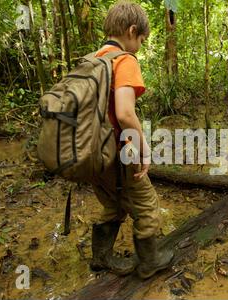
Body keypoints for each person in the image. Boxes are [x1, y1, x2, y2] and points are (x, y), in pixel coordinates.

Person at [90, 0, 173, 279]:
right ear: (132, 30)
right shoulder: (124, 60)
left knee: (113, 204)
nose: (141, 45)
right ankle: (151, 261)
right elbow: (125, 114)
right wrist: (143, 149)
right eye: (142, 39)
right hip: (116, 151)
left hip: (90, 152)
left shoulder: (91, 60)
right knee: (147, 204)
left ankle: (101, 257)